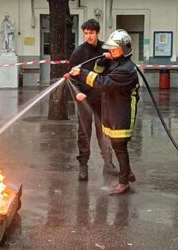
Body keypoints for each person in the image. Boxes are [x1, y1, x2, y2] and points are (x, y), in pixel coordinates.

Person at [69, 29, 139, 195]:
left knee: (120, 146)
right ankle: (126, 172)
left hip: (122, 111)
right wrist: (103, 59)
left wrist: (82, 73)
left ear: (125, 49)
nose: (111, 52)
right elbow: (100, 71)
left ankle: (124, 182)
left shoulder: (126, 69)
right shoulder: (117, 62)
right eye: (110, 49)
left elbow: (103, 82)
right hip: (114, 109)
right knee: (116, 144)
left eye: (114, 49)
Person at [67, 19, 118, 181]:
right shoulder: (78, 52)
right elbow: (72, 75)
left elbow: (115, 71)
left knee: (104, 132)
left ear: (98, 32)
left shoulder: (106, 49)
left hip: (103, 99)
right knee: (84, 133)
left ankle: (108, 164)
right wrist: (78, 93)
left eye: (91, 33)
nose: (88, 36)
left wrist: (111, 58)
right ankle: (83, 166)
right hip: (85, 99)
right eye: (86, 33)